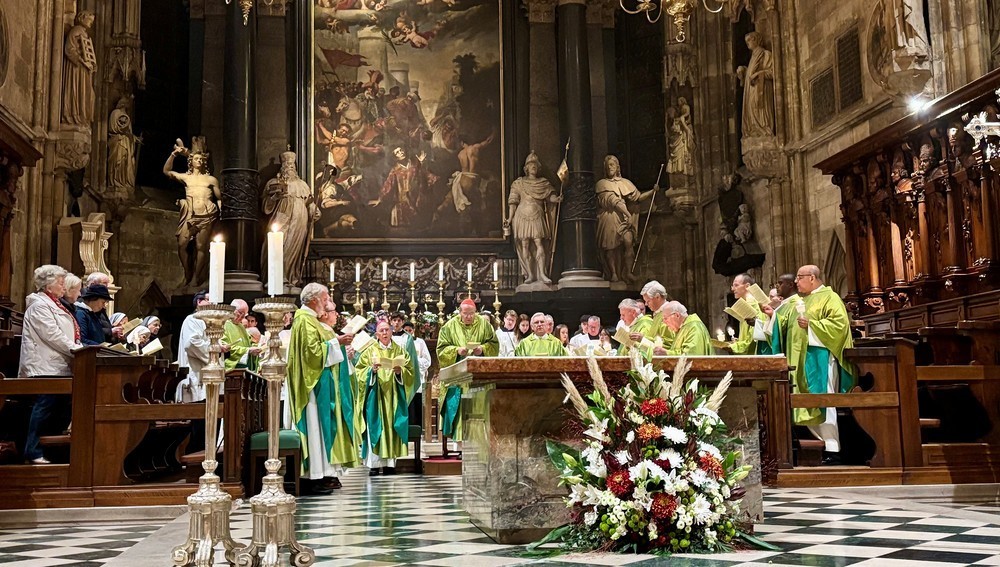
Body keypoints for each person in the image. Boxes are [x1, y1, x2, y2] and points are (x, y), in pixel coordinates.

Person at [784, 265, 857, 465]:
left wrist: (812, 326)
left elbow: (839, 326)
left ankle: (833, 448)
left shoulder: (829, 297)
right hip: (799, 360)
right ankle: (817, 445)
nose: (796, 282)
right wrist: (770, 316)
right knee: (804, 402)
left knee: (824, 400)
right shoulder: (798, 301)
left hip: (820, 359)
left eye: (799, 278)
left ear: (813, 278)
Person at [286, 283, 356, 492]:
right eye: (325, 299)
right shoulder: (304, 320)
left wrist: (337, 343)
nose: (327, 305)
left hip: (321, 384)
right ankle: (312, 476)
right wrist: (338, 342)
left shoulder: (311, 321)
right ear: (315, 299)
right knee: (314, 429)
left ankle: (323, 474)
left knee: (321, 430)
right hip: (312, 389)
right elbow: (312, 354)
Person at [19, 265, 81, 464]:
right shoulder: (39, 306)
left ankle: (51, 451)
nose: (64, 286)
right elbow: (52, 335)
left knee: (59, 409)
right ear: (48, 285)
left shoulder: (55, 304)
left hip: (59, 366)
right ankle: (33, 450)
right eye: (60, 283)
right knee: (44, 408)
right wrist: (75, 349)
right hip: (44, 366)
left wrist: (77, 346)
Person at [355, 320, 416, 475]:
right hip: (376, 397)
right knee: (376, 428)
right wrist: (372, 372)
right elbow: (359, 372)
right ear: (376, 334)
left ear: (391, 332)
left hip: (394, 397)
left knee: (392, 428)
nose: (384, 333)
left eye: (387, 330)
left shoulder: (400, 351)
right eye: (381, 330)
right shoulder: (369, 351)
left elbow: (411, 372)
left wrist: (399, 373)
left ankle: (390, 464)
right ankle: (374, 465)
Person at [436, 299, 499, 441]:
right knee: (459, 410)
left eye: (472, 314)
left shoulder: (484, 325)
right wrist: (457, 350)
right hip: (458, 379)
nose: (469, 317)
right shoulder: (449, 326)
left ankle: (480, 443)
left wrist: (482, 349)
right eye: (466, 314)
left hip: (478, 378)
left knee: (479, 408)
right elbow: (441, 350)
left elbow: (494, 345)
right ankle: (458, 444)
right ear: (460, 312)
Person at [163, 137, 221, 287]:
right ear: (191, 161)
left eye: (201, 159)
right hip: (189, 215)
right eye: (196, 159)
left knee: (201, 246)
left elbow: (219, 198)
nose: (199, 161)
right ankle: (187, 272)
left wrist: (221, 211)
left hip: (206, 215)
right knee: (182, 244)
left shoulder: (211, 180)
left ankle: (196, 277)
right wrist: (174, 154)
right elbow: (166, 171)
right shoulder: (186, 178)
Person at [261, 151, 318, 289]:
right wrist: (274, 198)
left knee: (294, 248)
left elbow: (309, 203)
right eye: (287, 164)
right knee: (278, 244)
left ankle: (291, 277)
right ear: (282, 166)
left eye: (292, 164)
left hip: (300, 219)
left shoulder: (303, 185)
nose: (290, 167)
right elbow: (265, 206)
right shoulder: (273, 183)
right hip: (281, 216)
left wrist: (314, 211)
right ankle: (276, 277)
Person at [595, 155, 655, 283]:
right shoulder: (602, 184)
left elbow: (637, 197)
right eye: (607, 165)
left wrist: (652, 192)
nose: (609, 167)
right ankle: (614, 274)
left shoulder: (625, 183)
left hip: (623, 217)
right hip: (610, 216)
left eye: (612, 164)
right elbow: (612, 201)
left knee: (628, 242)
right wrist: (628, 214)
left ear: (617, 167)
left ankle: (628, 272)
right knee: (610, 247)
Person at [506, 152, 561, 285]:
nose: (533, 167)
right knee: (525, 244)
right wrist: (509, 218)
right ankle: (530, 275)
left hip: (537, 214)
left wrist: (556, 199)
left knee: (538, 242)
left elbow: (549, 197)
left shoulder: (544, 183)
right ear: (526, 168)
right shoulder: (519, 183)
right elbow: (513, 202)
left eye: (535, 165)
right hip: (521, 215)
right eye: (531, 165)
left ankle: (542, 273)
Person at [176, 291, 211, 406]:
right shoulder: (192, 320)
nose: (213, 304)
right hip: (196, 374)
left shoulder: (209, 322)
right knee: (197, 414)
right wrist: (213, 351)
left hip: (208, 375)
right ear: (199, 302)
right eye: (209, 300)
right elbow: (191, 343)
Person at [728, 273, 769, 355]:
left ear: (747, 286)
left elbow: (753, 335)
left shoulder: (752, 303)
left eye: (736, 285)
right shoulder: (747, 302)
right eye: (732, 286)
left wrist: (736, 347)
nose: (733, 289)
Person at [402, 321, 432, 429]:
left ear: (414, 331)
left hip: (417, 378)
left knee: (417, 404)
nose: (408, 332)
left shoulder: (420, 342)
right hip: (403, 379)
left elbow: (427, 360)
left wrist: (414, 361)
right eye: (406, 331)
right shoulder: (400, 342)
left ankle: (417, 429)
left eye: (410, 330)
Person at [222, 299, 261, 372]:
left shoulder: (241, 327)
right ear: (232, 309)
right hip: (231, 369)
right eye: (240, 313)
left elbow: (249, 343)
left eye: (245, 315)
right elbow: (225, 348)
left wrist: (256, 347)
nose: (242, 317)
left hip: (245, 368)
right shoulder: (223, 324)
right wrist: (247, 351)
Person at [763, 274, 798, 354]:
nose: (777, 286)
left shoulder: (797, 304)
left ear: (791, 285)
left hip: (791, 350)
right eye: (776, 284)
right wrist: (771, 315)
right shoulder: (785, 304)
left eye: (780, 283)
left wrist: (773, 315)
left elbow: (790, 329)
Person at [640, 280, 675, 348]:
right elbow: (654, 337)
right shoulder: (658, 314)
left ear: (658, 297)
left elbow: (667, 345)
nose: (646, 304)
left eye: (648, 301)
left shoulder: (668, 313)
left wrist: (643, 340)